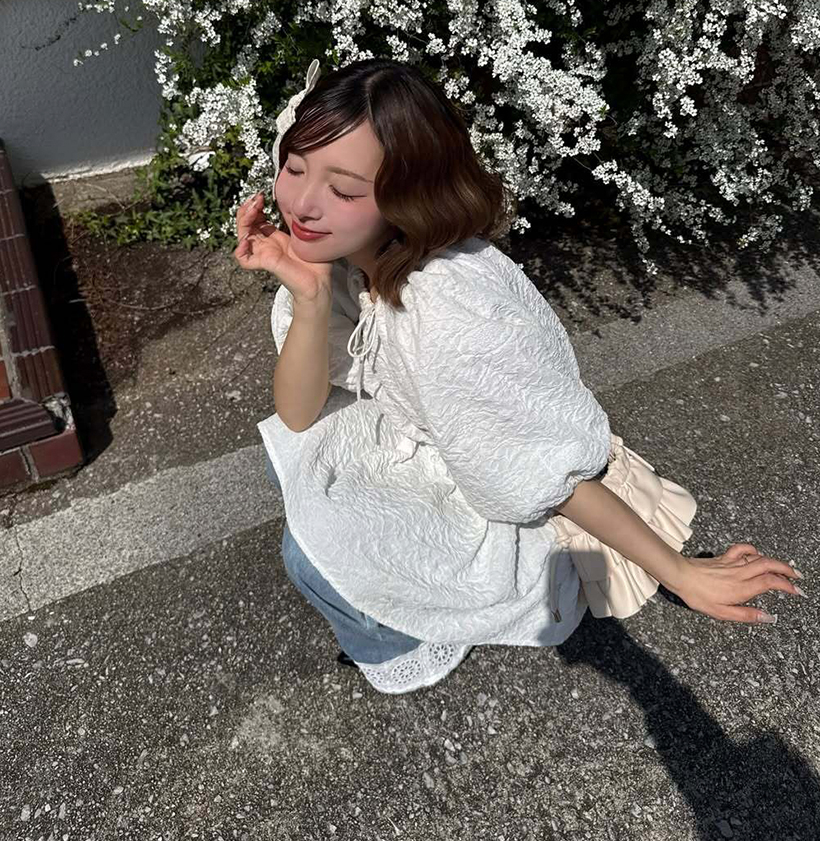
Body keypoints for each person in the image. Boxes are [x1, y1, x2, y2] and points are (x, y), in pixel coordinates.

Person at [234, 58, 805, 695]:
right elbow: (298, 413)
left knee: (311, 554)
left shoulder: (450, 309)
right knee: (301, 459)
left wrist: (681, 573)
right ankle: (395, 603)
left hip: (506, 497)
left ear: (409, 194)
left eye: (344, 190)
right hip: (438, 446)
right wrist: (310, 295)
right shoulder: (341, 261)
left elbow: (539, 469)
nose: (302, 205)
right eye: (294, 167)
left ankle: (413, 635)